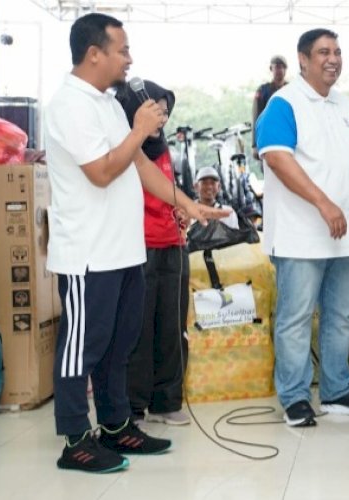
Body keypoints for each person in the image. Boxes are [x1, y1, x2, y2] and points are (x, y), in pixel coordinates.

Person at [44, 13, 227, 473]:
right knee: (82, 346)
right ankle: (75, 439)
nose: (130, 59)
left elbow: (139, 167)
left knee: (120, 343)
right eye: (122, 50)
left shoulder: (106, 102)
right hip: (89, 253)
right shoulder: (69, 105)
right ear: (94, 54)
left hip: (125, 249)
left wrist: (187, 203)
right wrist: (140, 130)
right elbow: (102, 171)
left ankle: (114, 424)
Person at [256, 28, 349, 427]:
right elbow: (277, 158)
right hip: (300, 234)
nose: (333, 59)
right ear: (303, 60)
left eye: (338, 51)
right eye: (323, 52)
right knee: (296, 317)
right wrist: (323, 202)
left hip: (345, 234)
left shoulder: (346, 105)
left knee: (343, 314)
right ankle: (294, 397)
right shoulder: (284, 103)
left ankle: (336, 390)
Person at [116, 79, 190, 426]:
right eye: (154, 110)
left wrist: (182, 210)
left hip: (173, 245)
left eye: (164, 110)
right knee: (139, 330)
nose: (161, 118)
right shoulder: (124, 146)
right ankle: (134, 405)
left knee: (172, 328)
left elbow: (169, 191)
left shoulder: (161, 147)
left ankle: (167, 402)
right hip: (139, 246)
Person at [251, 55, 288, 159]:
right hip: (269, 140)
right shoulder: (263, 91)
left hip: (288, 139)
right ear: (271, 69)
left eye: (281, 67)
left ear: (285, 69)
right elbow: (256, 118)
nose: (279, 70)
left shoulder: (292, 90)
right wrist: (255, 145)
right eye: (276, 67)